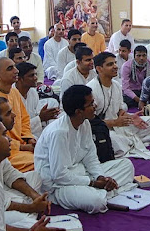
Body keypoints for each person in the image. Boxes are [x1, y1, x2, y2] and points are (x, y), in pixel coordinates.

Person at [35, 85, 137, 213]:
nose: (95, 106)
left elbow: (91, 156)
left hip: (82, 174)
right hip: (58, 186)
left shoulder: (85, 123)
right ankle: (102, 193)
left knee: (126, 165)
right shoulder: (59, 133)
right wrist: (93, 182)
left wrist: (100, 177)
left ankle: (103, 191)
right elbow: (59, 176)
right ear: (79, 111)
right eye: (91, 104)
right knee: (96, 202)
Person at [87, 53, 150, 159]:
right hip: (102, 129)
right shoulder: (91, 89)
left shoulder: (116, 85)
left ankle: (127, 141)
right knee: (113, 139)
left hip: (118, 124)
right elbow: (89, 122)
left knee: (148, 121)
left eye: (115, 63)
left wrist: (131, 118)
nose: (115, 66)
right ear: (99, 68)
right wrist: (114, 123)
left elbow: (119, 109)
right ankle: (128, 141)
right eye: (110, 64)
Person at [0, 58, 35, 172]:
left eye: (15, 67)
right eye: (10, 68)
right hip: (5, 153)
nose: (16, 71)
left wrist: (29, 138)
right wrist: (21, 146)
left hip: (22, 145)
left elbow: (24, 119)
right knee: (41, 162)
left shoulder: (14, 92)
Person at [15, 63, 59, 139]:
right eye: (31, 75)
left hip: (34, 129)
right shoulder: (12, 95)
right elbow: (17, 127)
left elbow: (35, 114)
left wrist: (46, 116)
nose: (36, 78)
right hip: (19, 135)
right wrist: (40, 118)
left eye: (36, 74)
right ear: (19, 79)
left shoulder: (32, 92)